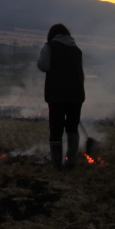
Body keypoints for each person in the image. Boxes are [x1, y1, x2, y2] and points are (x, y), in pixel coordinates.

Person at [37, 23, 85, 170]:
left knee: (56, 130)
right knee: (72, 128)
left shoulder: (50, 47)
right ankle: (71, 161)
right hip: (76, 95)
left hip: (56, 95)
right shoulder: (77, 50)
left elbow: (43, 66)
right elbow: (80, 74)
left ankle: (57, 164)